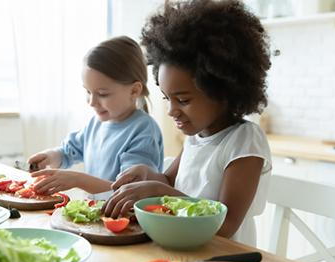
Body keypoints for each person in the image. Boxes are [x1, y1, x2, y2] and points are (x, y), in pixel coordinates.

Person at [102, 0, 272, 247]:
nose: (172, 111)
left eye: (182, 99)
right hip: (186, 251)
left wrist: (161, 193)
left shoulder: (244, 141)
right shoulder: (197, 136)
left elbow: (225, 225)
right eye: (167, 98)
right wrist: (149, 176)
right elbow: (169, 183)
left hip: (225, 258)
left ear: (222, 90)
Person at [28, 36, 164, 200]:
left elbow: (129, 192)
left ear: (134, 91)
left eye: (102, 94)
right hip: (96, 215)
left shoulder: (143, 131)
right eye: (88, 91)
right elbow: (69, 151)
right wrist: (50, 157)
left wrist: (77, 179)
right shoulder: (96, 123)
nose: (92, 102)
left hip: (126, 220)